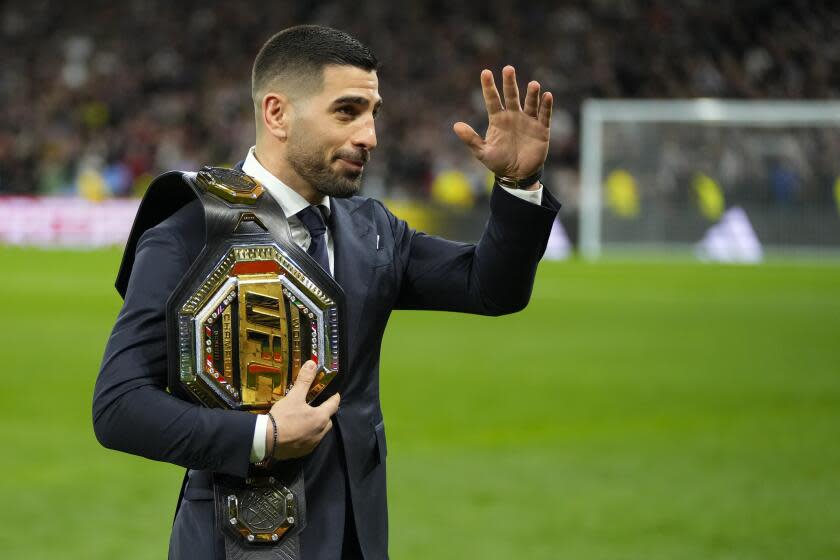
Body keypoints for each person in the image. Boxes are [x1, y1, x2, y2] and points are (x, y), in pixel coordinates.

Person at [93, 24, 560, 559]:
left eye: (373, 113)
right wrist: (261, 437)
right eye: (347, 111)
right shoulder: (192, 229)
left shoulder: (373, 230)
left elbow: (489, 288)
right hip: (234, 545)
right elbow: (120, 406)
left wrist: (519, 187)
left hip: (356, 541)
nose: (370, 136)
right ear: (277, 114)